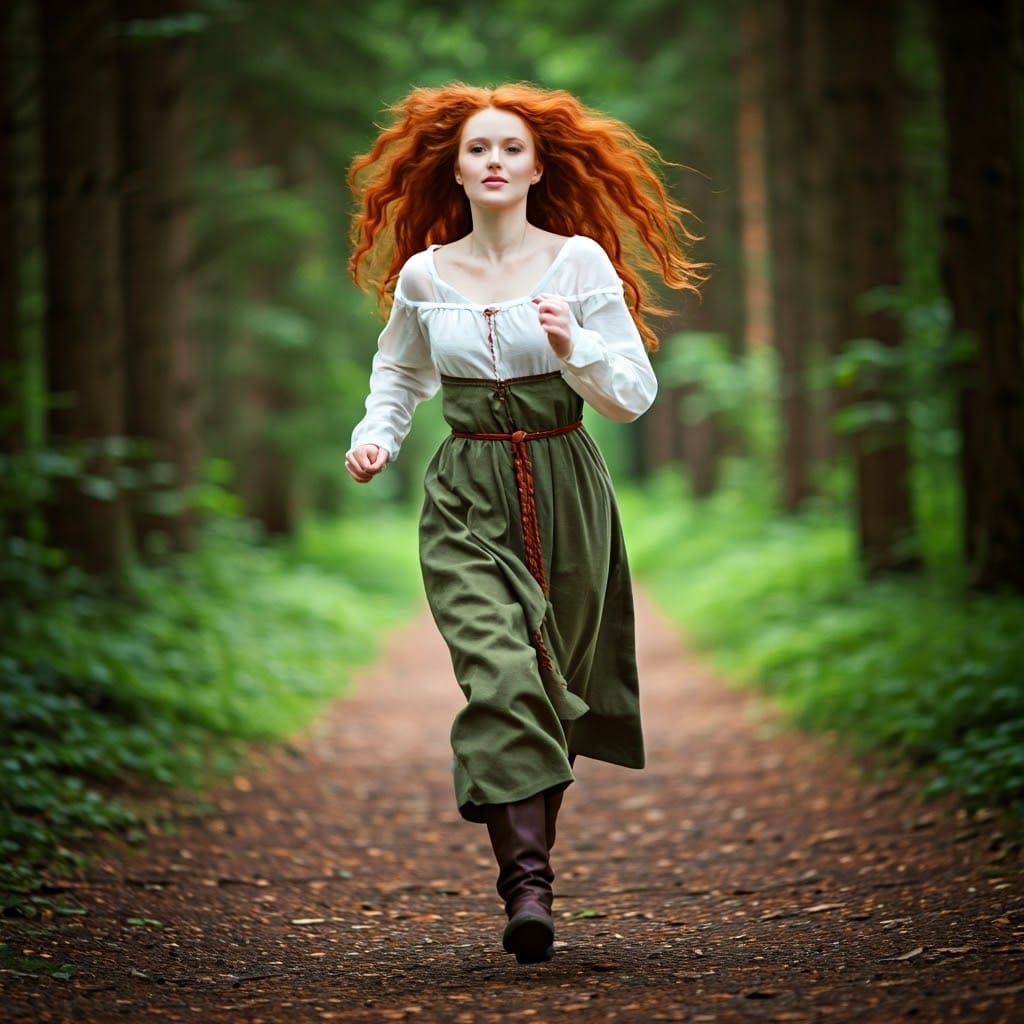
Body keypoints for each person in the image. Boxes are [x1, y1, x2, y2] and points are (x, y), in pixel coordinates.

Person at [345, 82, 704, 964]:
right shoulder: (427, 276)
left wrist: (576, 346)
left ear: (538, 166)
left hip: (566, 481)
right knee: (499, 673)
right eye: (478, 150)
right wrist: (375, 437)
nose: (495, 161)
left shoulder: (578, 263)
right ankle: (528, 892)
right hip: (467, 494)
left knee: (548, 688)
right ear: (457, 171)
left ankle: (531, 874)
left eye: (511, 148)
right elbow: (399, 375)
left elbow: (632, 396)